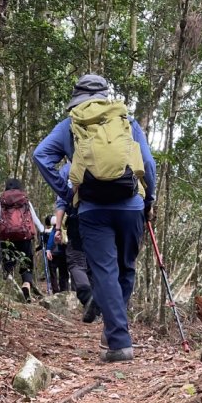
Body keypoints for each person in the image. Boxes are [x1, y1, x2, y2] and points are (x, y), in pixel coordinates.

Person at [34, 74, 156, 362]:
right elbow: (148, 164)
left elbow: (41, 156)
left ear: (77, 97)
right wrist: (148, 199)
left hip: (91, 209)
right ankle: (115, 328)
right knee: (126, 268)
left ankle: (119, 340)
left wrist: (67, 190)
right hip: (131, 205)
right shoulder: (125, 120)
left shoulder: (71, 125)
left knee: (104, 271)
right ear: (105, 94)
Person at [53, 163, 99, 322]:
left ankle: (87, 297)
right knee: (95, 263)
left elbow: (61, 201)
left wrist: (57, 229)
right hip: (103, 220)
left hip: (78, 218)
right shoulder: (102, 159)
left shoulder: (69, 168)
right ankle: (98, 308)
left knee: (76, 262)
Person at [0, 179, 44, 301]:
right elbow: (34, 218)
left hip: (6, 237)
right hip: (24, 237)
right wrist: (42, 230)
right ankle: (26, 286)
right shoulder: (25, 200)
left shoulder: (1, 200)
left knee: (8, 264)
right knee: (27, 263)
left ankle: (9, 292)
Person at [43, 214, 69, 293]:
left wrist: (48, 250)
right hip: (62, 253)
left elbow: (51, 238)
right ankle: (64, 290)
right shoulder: (63, 226)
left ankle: (56, 291)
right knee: (63, 273)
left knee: (53, 274)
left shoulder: (55, 228)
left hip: (53, 254)